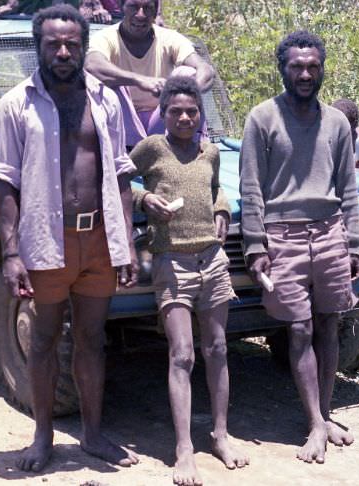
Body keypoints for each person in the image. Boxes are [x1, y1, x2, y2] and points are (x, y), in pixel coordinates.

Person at [0, 5, 139, 471]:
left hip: (97, 239)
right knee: (44, 339)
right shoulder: (15, 104)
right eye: (53, 43)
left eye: (71, 44)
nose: (62, 51)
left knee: (93, 338)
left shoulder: (106, 101)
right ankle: (42, 436)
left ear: (83, 47)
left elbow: (120, 175)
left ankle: (93, 435)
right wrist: (11, 253)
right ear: (38, 46)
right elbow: (5, 182)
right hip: (44, 241)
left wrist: (127, 243)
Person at [239, 30, 359, 464]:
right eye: (297, 66)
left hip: (330, 232)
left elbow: (348, 186)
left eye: (313, 66)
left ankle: (323, 416)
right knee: (299, 329)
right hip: (283, 236)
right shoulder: (261, 118)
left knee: (329, 325)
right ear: (283, 69)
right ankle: (314, 423)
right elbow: (251, 188)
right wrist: (255, 246)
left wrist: (355, 245)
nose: (305, 74)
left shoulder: (336, 123)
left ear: (322, 68)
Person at [130, 76, 249, 485]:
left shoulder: (210, 151)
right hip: (172, 262)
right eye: (175, 111)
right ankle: (184, 448)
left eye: (191, 111)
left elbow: (214, 188)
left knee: (217, 348)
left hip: (213, 260)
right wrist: (143, 199)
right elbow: (119, 179)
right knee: (182, 354)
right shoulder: (151, 149)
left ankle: (220, 433)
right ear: (162, 114)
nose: (184, 117)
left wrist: (221, 209)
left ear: (201, 115)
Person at [85, 0, 214, 144]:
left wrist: (187, 90)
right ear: (122, 8)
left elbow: (205, 69)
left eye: (147, 8)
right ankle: (130, 149)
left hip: (161, 120)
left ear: (155, 12)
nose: (140, 15)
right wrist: (140, 80)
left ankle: (190, 146)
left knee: (187, 73)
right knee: (108, 79)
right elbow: (92, 65)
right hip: (123, 123)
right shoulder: (106, 37)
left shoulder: (168, 37)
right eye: (133, 7)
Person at [0, 0, 114, 24]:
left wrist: (100, 11)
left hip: (73, 37)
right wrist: (10, 7)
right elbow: (16, 3)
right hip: (40, 40)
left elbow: (96, 6)